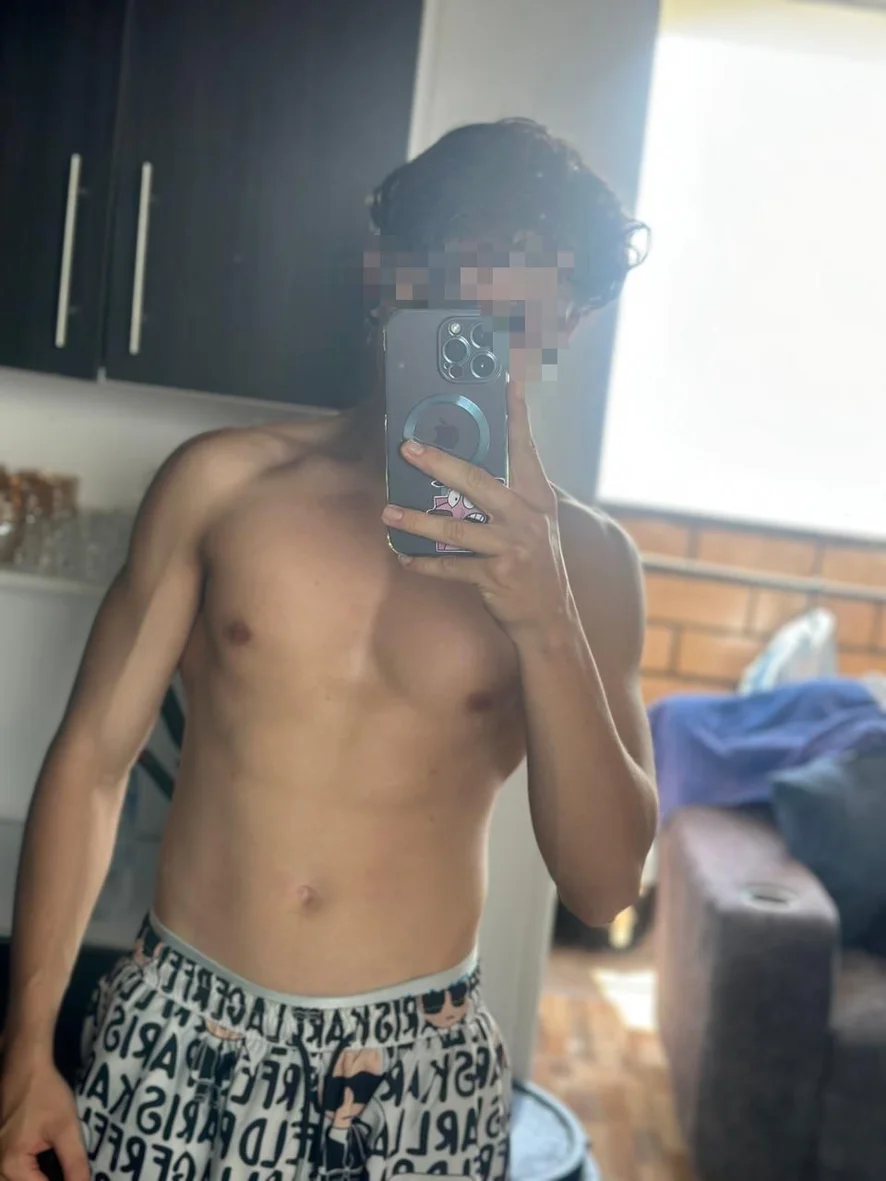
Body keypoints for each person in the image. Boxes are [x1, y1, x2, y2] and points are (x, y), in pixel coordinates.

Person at [0, 118, 657, 1181]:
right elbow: (92, 761)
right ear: (386, 277)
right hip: (177, 1024)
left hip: (416, 1068)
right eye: (452, 289)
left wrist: (545, 616)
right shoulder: (223, 485)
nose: (476, 333)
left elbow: (605, 882)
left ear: (568, 320)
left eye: (513, 313)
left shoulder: (589, 565)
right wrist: (25, 1049)